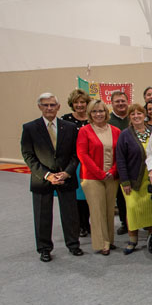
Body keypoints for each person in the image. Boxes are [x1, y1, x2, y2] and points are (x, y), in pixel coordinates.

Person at [21, 93, 83, 261]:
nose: (49, 108)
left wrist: (67, 172)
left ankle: (73, 244)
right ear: (40, 107)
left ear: (58, 107)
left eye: (52, 105)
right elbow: (28, 155)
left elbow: (76, 154)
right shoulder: (30, 128)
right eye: (46, 105)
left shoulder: (69, 127)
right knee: (42, 215)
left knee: (70, 213)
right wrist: (47, 175)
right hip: (42, 179)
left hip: (66, 176)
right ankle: (44, 248)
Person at [77, 100, 121, 255]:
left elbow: (119, 155)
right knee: (97, 210)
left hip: (112, 177)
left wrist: (113, 170)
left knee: (109, 209)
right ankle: (102, 243)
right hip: (92, 177)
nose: (98, 114)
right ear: (90, 114)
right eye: (94, 111)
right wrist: (99, 173)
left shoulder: (115, 131)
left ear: (106, 112)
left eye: (101, 111)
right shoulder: (85, 131)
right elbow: (82, 154)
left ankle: (109, 239)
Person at [115, 103, 152, 254]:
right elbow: (120, 159)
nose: (136, 116)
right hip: (132, 181)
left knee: (150, 210)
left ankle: (151, 237)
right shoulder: (125, 134)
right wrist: (124, 181)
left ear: (145, 115)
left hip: (150, 179)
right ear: (129, 117)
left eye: (139, 113)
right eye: (133, 114)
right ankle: (133, 240)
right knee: (132, 210)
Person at [61, 88, 92, 237]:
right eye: (76, 102)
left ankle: (89, 223)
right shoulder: (65, 119)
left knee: (89, 195)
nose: (80, 105)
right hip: (75, 162)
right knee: (78, 196)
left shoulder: (92, 118)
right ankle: (81, 224)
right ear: (72, 104)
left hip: (91, 161)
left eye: (82, 102)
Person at [109, 90, 131, 234]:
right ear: (112, 103)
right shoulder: (108, 120)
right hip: (116, 164)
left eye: (123, 101)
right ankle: (124, 222)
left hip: (134, 163)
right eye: (117, 101)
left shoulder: (133, 117)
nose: (120, 104)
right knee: (121, 196)